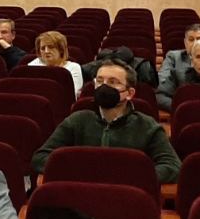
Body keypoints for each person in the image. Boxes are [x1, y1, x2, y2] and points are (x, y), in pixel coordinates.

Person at [31, 59, 180, 183]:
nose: (104, 86)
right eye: (100, 80)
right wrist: (80, 170)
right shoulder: (77, 120)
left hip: (125, 197)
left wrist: (129, 176)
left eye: (113, 82)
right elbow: (41, 158)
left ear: (129, 93)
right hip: (81, 193)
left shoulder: (147, 126)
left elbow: (172, 167)